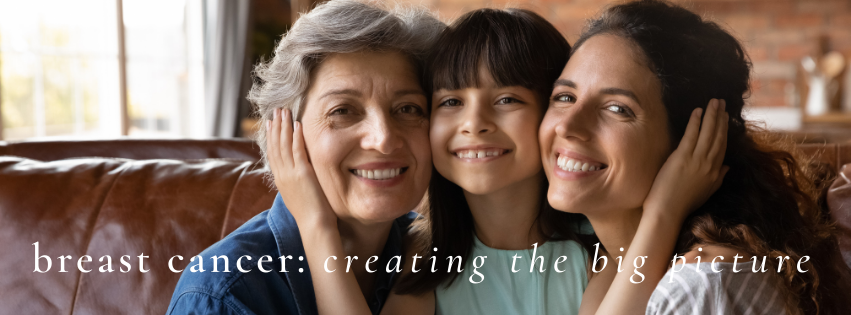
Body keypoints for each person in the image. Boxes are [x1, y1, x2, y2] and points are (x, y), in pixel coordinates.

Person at [268, 7, 726, 315]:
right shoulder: (425, 256)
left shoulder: (600, 248)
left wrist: (664, 210)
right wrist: (315, 224)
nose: (474, 123)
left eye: (507, 98)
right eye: (449, 102)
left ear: (552, 111)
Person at [539, 1, 851, 314]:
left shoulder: (704, 284)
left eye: (618, 108)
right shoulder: (607, 270)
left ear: (692, 142)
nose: (567, 125)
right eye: (565, 97)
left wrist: (663, 212)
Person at [165, 1, 444, 314]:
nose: (383, 139)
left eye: (408, 109)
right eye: (342, 111)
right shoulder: (224, 295)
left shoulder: (438, 254)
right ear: (284, 135)